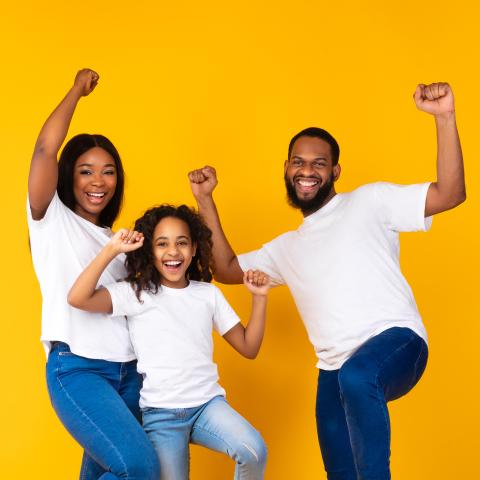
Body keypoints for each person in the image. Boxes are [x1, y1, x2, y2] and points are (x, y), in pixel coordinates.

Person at [187, 82, 466, 480]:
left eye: (319, 163)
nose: (307, 171)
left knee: (358, 376)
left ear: (335, 171)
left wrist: (444, 117)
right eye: (298, 162)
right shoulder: (286, 248)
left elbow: (451, 193)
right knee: (340, 469)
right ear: (286, 169)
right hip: (334, 372)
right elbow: (227, 269)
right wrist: (205, 200)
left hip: (398, 342)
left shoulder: (371, 201)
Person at [67, 204, 270, 480]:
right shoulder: (136, 293)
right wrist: (112, 250)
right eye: (162, 244)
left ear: (195, 248)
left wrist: (259, 298)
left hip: (207, 407)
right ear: (150, 251)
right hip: (161, 417)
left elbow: (249, 347)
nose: (173, 252)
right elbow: (78, 298)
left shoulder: (208, 295)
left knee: (253, 450)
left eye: (182, 243)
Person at [27, 69, 159, 479]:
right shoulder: (52, 219)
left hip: (131, 375)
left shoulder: (120, 240)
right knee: (139, 468)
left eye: (108, 171)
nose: (98, 181)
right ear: (69, 175)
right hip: (79, 369)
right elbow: (45, 151)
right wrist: (75, 93)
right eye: (86, 170)